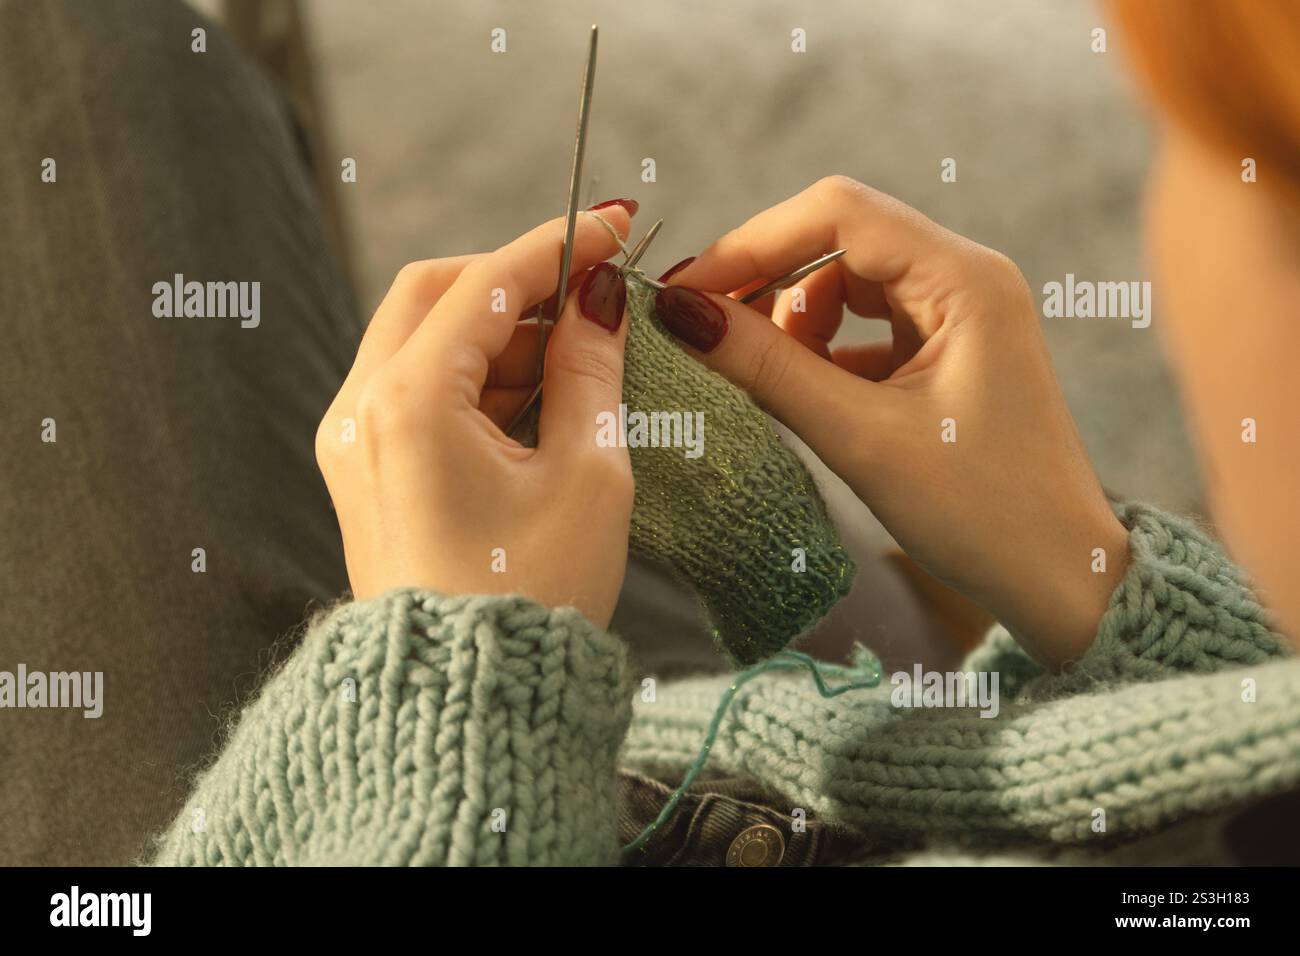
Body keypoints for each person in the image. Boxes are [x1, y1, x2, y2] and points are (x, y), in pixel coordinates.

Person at [3, 0, 1296, 866]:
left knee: (75, 46)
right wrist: (1092, 585)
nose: (1183, 223)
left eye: (1219, 158)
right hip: (813, 760)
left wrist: (448, 696)